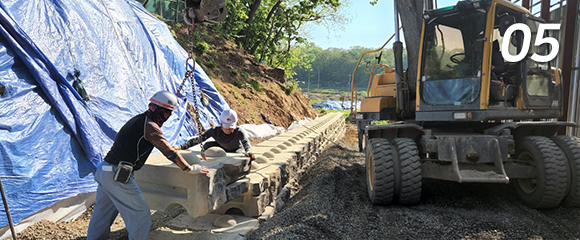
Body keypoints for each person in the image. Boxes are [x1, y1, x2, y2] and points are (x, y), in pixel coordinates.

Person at [87, 90, 209, 240]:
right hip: (116, 175)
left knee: (103, 213)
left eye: (168, 113)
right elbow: (169, 152)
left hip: (105, 171)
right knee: (140, 214)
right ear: (153, 107)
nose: (166, 116)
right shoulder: (150, 126)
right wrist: (189, 168)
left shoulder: (139, 120)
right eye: (165, 112)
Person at [174, 109, 253, 157]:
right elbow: (199, 139)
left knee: (238, 159)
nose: (228, 130)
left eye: (230, 128)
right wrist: (181, 147)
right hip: (220, 147)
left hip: (234, 149)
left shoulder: (239, 131)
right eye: (226, 128)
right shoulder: (215, 131)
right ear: (221, 124)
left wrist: (248, 151)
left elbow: (245, 142)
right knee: (207, 145)